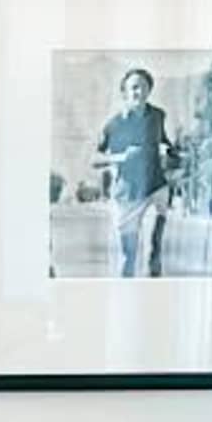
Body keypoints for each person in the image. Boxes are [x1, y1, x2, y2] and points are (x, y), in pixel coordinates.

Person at [85, 63, 177, 274]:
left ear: (149, 90)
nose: (139, 91)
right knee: (129, 257)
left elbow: (163, 140)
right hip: (127, 195)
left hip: (156, 188)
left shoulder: (157, 116)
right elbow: (93, 159)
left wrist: (173, 153)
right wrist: (121, 157)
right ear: (124, 92)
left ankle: (156, 290)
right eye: (134, 87)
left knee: (153, 253)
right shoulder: (114, 125)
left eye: (144, 87)